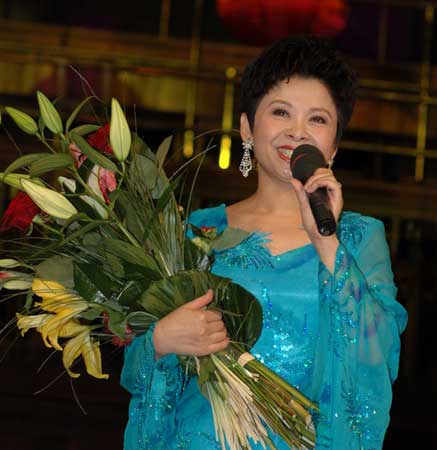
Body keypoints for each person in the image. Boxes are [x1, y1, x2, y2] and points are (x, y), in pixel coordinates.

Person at [120, 35, 408, 450]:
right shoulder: (198, 232)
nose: (297, 131)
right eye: (280, 112)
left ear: (335, 144)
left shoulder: (358, 239)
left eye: (317, 119)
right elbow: (137, 367)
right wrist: (162, 341)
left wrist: (325, 241)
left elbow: (376, 354)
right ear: (247, 128)